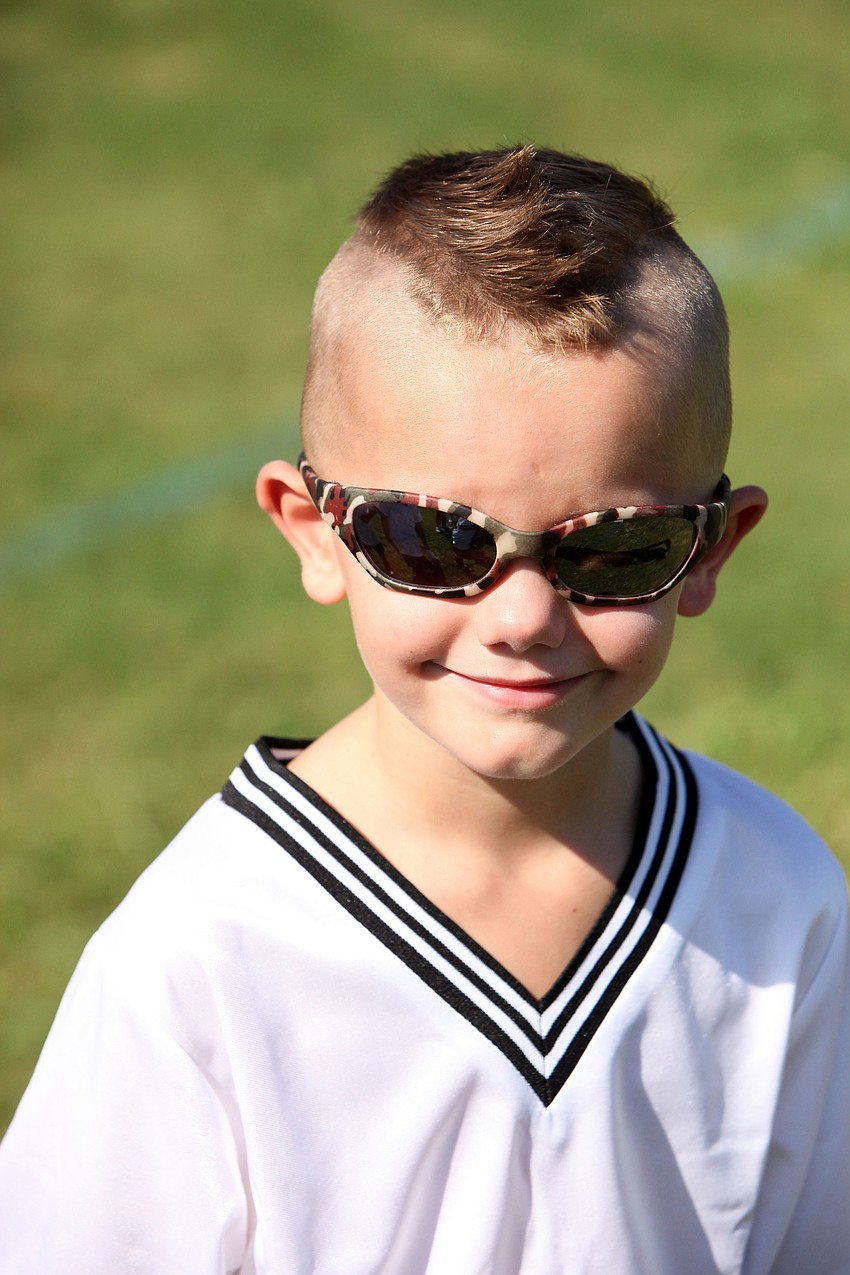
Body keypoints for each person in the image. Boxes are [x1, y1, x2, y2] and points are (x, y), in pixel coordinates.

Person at [1, 146, 848, 1274]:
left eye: (616, 547)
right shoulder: (200, 957)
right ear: (313, 530)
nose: (523, 616)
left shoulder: (777, 893)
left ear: (709, 551)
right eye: (432, 540)